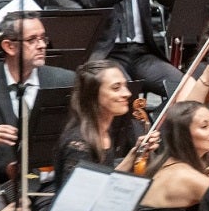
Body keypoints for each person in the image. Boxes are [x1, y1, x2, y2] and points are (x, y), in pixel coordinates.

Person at [0, 11, 75, 185]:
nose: (42, 45)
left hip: (52, 183)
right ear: (9, 46)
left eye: (43, 38)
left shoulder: (64, 80)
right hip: (2, 184)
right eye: (32, 40)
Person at [53, 59, 151, 188]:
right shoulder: (79, 144)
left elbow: (105, 182)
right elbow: (77, 201)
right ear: (93, 94)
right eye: (116, 88)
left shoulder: (104, 130)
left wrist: (134, 155)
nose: (127, 93)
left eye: (125, 86)